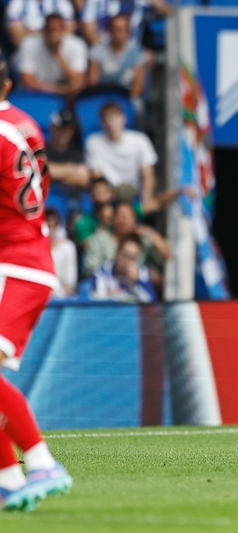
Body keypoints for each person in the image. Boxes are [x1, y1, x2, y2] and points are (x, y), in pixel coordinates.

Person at [0, 57, 72, 511]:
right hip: (28, 254)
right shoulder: (22, 124)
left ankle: (41, 461)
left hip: (16, 263)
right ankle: (9, 480)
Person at [84, 102, 160, 213]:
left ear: (123, 119)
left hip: (133, 193)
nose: (111, 123)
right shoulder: (93, 142)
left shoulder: (140, 140)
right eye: (107, 119)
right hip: (108, 195)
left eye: (114, 118)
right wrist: (106, 198)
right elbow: (97, 175)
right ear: (102, 123)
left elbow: (148, 175)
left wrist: (146, 200)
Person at [83, 201, 170, 291]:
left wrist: (149, 232)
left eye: (128, 216)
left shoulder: (143, 240)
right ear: (113, 219)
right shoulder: (99, 239)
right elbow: (91, 271)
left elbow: (168, 255)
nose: (124, 220)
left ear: (134, 220)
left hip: (136, 289)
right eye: (120, 216)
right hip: (105, 289)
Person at [17, 13, 86, 97]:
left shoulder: (77, 45)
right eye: (50, 30)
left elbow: (78, 82)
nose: (53, 35)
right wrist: (60, 90)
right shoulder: (29, 44)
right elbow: (27, 82)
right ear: (44, 30)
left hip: (65, 96)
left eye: (56, 30)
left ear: (63, 30)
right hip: (37, 94)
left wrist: (57, 53)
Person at [87, 14, 147, 107]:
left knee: (137, 106)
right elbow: (93, 82)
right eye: (113, 29)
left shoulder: (137, 54)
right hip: (102, 95)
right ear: (109, 30)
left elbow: (137, 86)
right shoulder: (97, 51)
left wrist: (121, 103)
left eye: (120, 30)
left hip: (127, 98)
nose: (116, 33)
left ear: (128, 32)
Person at [85, 232, 156, 302]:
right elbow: (97, 303)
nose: (127, 261)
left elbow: (151, 305)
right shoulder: (100, 274)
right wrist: (114, 296)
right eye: (125, 255)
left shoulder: (142, 275)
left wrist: (137, 282)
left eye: (133, 258)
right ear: (117, 253)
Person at [81, 0, 171, 46]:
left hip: (132, 55)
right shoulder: (96, 1)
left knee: (144, 58)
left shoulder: (139, 4)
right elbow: (88, 31)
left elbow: (167, 12)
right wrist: (108, 53)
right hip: (104, 53)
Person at [5, 0, 76, 47]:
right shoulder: (18, 3)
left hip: (57, 50)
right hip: (29, 49)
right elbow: (17, 37)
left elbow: (69, 32)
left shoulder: (61, 2)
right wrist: (51, 34)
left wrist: (30, 32)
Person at [45, 208, 77, 297]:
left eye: (52, 225)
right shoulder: (31, 249)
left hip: (59, 300)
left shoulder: (68, 248)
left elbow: (69, 285)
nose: (49, 229)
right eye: (47, 225)